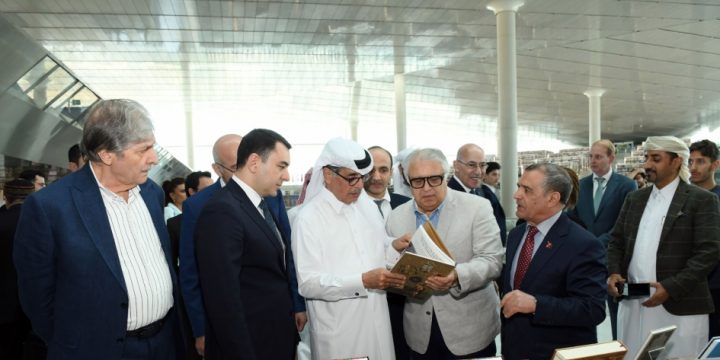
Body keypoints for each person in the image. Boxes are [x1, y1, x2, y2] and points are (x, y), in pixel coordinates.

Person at [13, 99, 178, 359]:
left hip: (165, 344)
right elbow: (37, 295)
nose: (154, 158)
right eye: (143, 149)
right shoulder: (49, 207)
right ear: (106, 154)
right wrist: (70, 343)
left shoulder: (152, 194)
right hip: (96, 350)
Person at [179, 134, 306, 358]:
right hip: (251, 344)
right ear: (255, 162)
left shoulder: (260, 203)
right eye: (281, 166)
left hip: (275, 337)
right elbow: (223, 300)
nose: (286, 176)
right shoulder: (222, 211)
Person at [292, 137, 408, 360]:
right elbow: (308, 283)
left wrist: (394, 245)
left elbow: (376, 250)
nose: (358, 186)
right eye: (351, 178)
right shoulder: (308, 219)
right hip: (341, 331)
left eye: (361, 178)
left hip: (378, 323)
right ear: (327, 174)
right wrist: (363, 281)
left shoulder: (365, 207)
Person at [607, 136, 720, 359]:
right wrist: (613, 272)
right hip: (634, 305)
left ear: (676, 162)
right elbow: (616, 241)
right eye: (647, 157)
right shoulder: (635, 199)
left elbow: (708, 252)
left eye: (656, 158)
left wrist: (670, 287)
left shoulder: (701, 200)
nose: (648, 164)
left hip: (680, 304)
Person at [386, 148, 503, 359]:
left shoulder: (477, 207)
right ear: (407, 181)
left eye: (434, 179)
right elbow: (389, 266)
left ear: (446, 176)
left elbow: (492, 260)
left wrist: (457, 276)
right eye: (418, 181)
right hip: (419, 333)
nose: (427, 188)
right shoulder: (396, 217)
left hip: (470, 331)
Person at [500, 163, 606, 359]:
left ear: (552, 198)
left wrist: (536, 304)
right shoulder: (516, 235)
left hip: (555, 353)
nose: (516, 195)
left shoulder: (583, 244)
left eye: (527, 190)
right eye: (518, 186)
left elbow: (592, 309)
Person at [569, 139, 637, 339]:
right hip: (585, 260)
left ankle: (619, 349)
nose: (593, 161)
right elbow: (574, 219)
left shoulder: (626, 185)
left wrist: (595, 242)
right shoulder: (581, 185)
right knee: (585, 311)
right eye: (591, 156)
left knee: (617, 312)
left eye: (598, 156)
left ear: (611, 158)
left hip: (614, 260)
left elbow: (624, 223)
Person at [363, 145, 412, 359]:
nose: (377, 176)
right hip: (367, 299)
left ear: (391, 172)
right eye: (371, 170)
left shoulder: (408, 205)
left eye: (383, 170)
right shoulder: (349, 209)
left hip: (406, 301)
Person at [688, 139, 720, 338]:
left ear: (715, 164)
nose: (693, 167)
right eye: (690, 162)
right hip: (688, 285)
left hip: (715, 285)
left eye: (700, 162)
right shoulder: (684, 198)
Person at [0, 179, 34, 359]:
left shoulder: (2, 221)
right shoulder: (43, 222)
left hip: (5, 307)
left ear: (7, 197)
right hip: (36, 305)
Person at [448, 143, 507, 245]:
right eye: (472, 165)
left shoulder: (479, 191)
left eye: (482, 165)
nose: (479, 172)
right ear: (456, 166)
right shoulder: (447, 197)